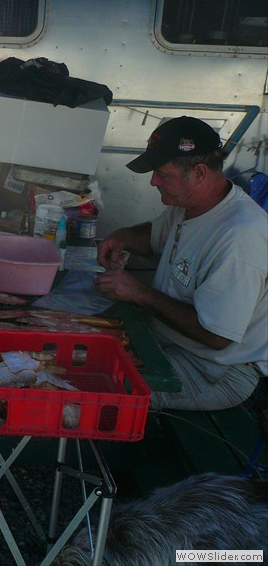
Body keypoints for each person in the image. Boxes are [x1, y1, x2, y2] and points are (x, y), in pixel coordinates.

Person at [94, 116, 267, 411]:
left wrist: (139, 293)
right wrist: (123, 237)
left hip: (215, 370)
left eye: (163, 174)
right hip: (169, 343)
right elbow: (154, 238)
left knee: (100, 389)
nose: (153, 181)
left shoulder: (239, 237)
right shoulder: (190, 205)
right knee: (84, 355)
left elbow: (216, 336)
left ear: (199, 173)